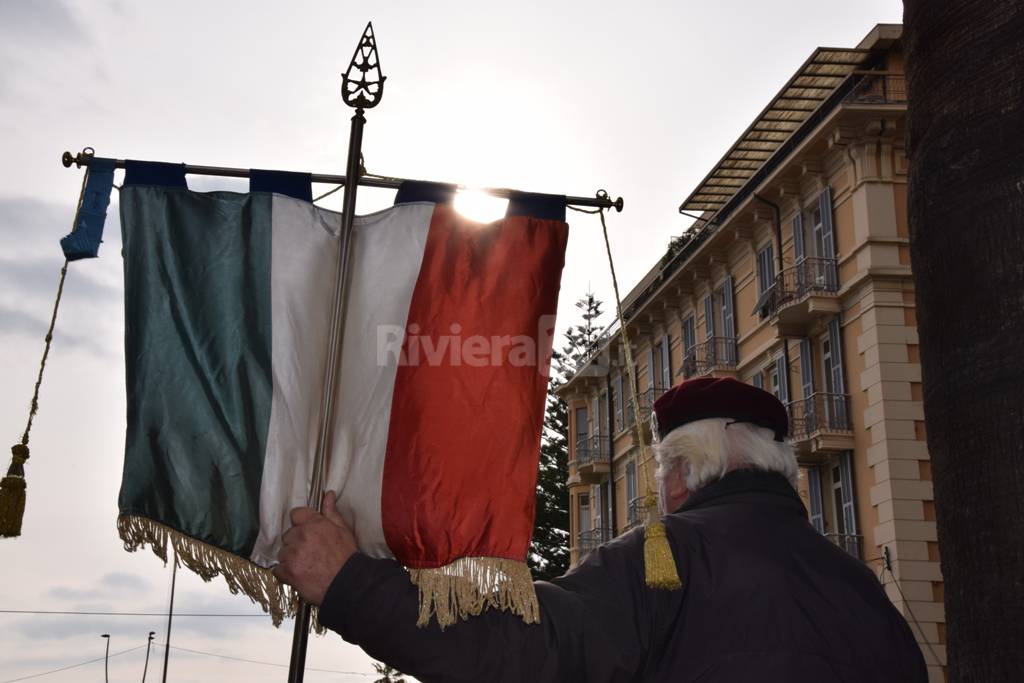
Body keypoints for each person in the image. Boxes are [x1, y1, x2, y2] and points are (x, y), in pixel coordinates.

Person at [274, 377, 928, 682]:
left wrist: (352, 584)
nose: (662, 489)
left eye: (664, 468)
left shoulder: (670, 555)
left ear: (684, 469)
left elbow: (535, 647)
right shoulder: (862, 588)